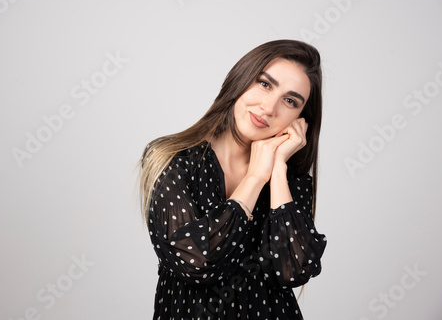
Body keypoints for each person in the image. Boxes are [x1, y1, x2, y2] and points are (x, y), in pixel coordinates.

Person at [139, 39, 327, 319]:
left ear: (300, 118)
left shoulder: (289, 178)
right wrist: (255, 177)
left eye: (290, 101)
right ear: (241, 79)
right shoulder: (172, 158)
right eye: (265, 84)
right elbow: (196, 261)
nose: (269, 108)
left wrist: (277, 170)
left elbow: (294, 269)